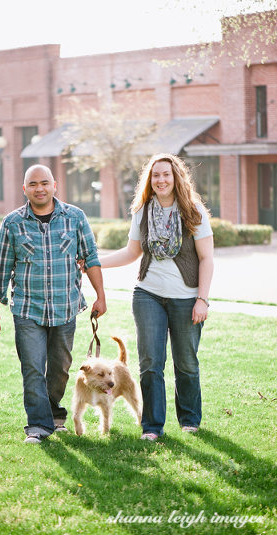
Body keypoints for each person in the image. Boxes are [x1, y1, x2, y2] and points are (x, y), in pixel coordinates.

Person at [98, 153, 214, 441]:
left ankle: (189, 420)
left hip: (187, 299)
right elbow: (132, 252)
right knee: (151, 364)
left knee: (186, 362)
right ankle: (152, 427)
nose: (161, 180)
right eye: (155, 175)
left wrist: (202, 299)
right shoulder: (142, 211)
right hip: (147, 294)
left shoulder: (194, 212)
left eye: (166, 174)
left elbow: (207, 259)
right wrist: (96, 262)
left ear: (176, 178)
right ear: (149, 180)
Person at [0, 164, 106, 444]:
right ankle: (38, 426)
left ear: (54, 185)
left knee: (60, 368)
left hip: (65, 308)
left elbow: (90, 257)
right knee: (32, 368)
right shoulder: (12, 222)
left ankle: (54, 414)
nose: (39, 188)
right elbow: (1, 267)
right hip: (27, 309)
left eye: (44, 183)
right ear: (24, 189)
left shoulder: (75, 217)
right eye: (33, 184)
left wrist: (100, 295)